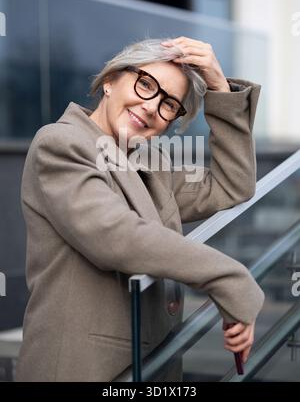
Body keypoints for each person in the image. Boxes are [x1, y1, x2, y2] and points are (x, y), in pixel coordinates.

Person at [16, 37, 264, 382]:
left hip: (150, 363)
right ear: (109, 81)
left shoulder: (148, 160)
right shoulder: (61, 143)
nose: (151, 107)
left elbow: (232, 184)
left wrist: (219, 88)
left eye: (169, 104)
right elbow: (118, 237)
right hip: (81, 369)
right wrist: (231, 279)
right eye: (145, 84)